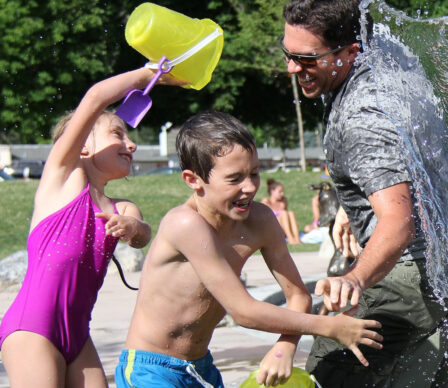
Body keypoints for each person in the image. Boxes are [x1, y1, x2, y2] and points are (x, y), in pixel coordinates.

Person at [282, 1, 448, 386]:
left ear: (350, 52)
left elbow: (398, 222)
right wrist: (353, 201)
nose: (293, 68)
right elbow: (407, 163)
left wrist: (356, 279)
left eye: (306, 59)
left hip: (402, 278)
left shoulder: (362, 118)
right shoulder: (392, 62)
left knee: (331, 377)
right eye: (288, 53)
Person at [115, 111, 383, 388]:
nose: (250, 187)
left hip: (200, 367)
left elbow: (298, 296)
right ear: (193, 180)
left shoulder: (261, 221)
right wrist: (330, 327)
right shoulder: (185, 224)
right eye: (234, 179)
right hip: (151, 369)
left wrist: (284, 347)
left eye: (254, 173)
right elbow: (243, 311)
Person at [0, 68, 167, 387]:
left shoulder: (122, 208)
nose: (131, 145)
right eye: (118, 134)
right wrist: (147, 74)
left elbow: (143, 234)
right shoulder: (62, 181)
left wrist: (133, 227)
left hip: (78, 335)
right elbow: (95, 99)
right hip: (32, 328)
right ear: (82, 147)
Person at [261, 178, 302, 244]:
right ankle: (291, 238)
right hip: (271, 228)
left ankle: (297, 238)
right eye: (280, 192)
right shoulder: (266, 201)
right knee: (284, 213)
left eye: (282, 191)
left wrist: (283, 205)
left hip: (282, 229)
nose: (282, 194)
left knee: (291, 213)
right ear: (272, 191)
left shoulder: (283, 201)